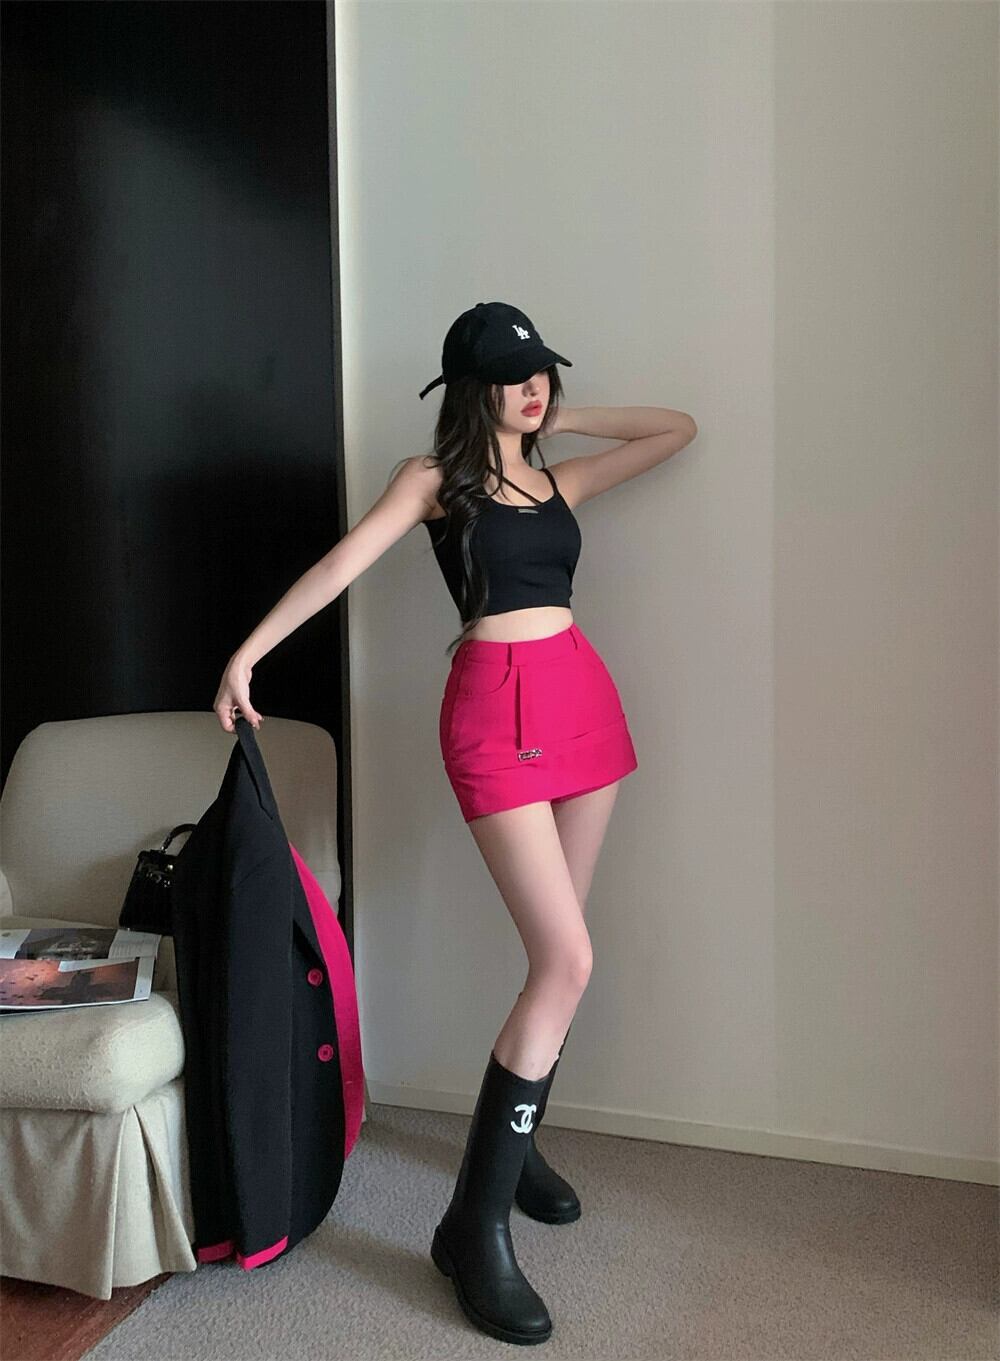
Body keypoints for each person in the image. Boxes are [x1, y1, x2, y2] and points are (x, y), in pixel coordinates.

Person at [214, 300, 697, 1346]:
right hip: (495, 713)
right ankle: (470, 1227)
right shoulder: (435, 482)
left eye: (542, 374)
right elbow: (341, 565)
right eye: (516, 378)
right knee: (567, 959)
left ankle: (512, 1153)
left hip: (582, 701)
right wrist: (248, 653)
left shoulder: (558, 479)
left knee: (560, 959)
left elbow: (676, 428)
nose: (535, 388)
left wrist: (560, 420)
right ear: (472, 390)